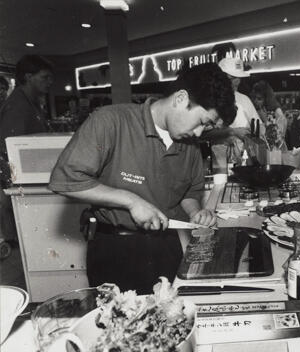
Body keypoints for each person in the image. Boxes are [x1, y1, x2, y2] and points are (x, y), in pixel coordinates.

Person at [48, 63, 237, 294]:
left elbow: (189, 193)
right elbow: (64, 179)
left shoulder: (190, 145)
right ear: (180, 98)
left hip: (166, 248)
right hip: (115, 250)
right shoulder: (110, 121)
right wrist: (131, 201)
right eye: (202, 122)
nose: (199, 133)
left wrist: (195, 213)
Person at [1, 55, 54, 244]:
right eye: (45, 77)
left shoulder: (30, 103)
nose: (50, 82)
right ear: (28, 77)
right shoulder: (18, 106)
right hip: (23, 181)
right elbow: (9, 148)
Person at [251, 80, 287, 147]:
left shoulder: (278, 113)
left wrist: (265, 120)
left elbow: (277, 139)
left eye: (259, 99)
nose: (256, 101)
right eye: (254, 98)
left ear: (266, 99)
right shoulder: (255, 111)